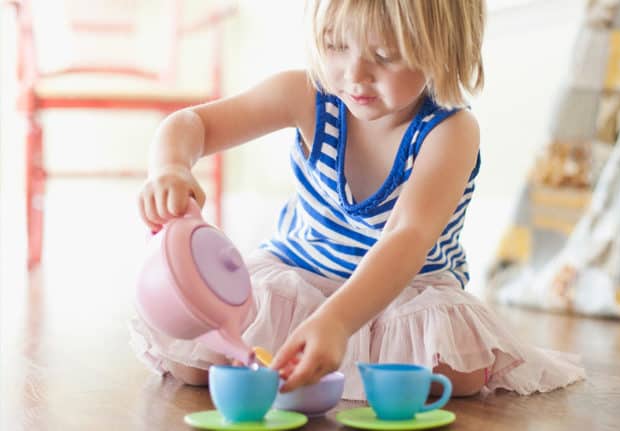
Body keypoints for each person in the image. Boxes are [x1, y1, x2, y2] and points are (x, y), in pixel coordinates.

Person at [130, 0, 585, 400]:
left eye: (385, 55)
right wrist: (170, 167)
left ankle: (339, 348)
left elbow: (408, 236)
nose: (355, 74)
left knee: (456, 375)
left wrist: (338, 322)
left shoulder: (449, 131)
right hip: (303, 269)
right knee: (194, 362)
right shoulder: (305, 94)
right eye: (334, 44)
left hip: (405, 287)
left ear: (443, 47)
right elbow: (193, 124)